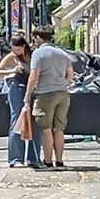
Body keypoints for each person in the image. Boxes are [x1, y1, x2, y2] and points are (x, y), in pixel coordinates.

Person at [27, 25, 78, 170]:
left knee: (46, 128)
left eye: (34, 38)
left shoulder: (38, 54)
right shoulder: (62, 53)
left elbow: (33, 76)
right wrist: (62, 83)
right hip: (63, 94)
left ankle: (48, 161)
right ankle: (60, 161)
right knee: (59, 129)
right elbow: (70, 76)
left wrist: (28, 94)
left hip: (45, 94)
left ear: (38, 37)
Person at [0, 34, 32, 168]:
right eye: (13, 50)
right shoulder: (12, 57)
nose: (16, 53)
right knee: (17, 121)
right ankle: (15, 159)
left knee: (33, 122)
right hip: (17, 88)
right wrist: (11, 71)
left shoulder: (32, 55)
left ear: (24, 46)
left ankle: (32, 158)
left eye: (18, 50)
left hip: (32, 89)